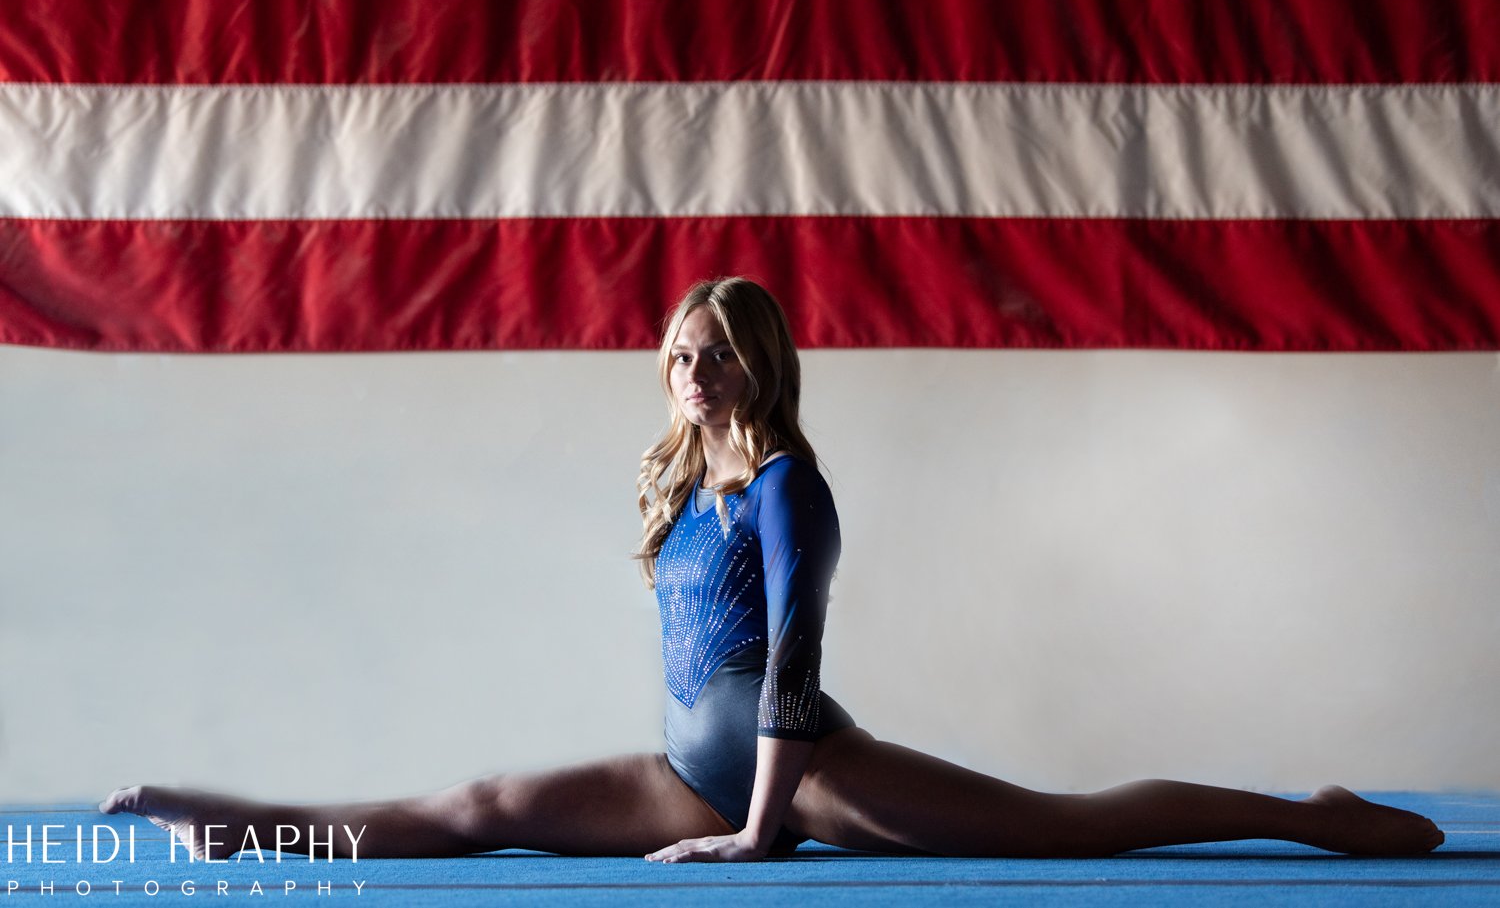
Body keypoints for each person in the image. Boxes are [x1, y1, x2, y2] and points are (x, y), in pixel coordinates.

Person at [101, 277, 1445, 862]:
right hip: (689, 765)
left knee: (1069, 824)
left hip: (800, 768)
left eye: (719, 354)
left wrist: (758, 827)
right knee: (475, 801)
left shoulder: (792, 485)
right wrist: (714, 801)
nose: (695, 373)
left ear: (761, 363)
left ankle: (1312, 813)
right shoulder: (685, 486)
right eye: (682, 353)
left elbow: (793, 668)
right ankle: (249, 824)